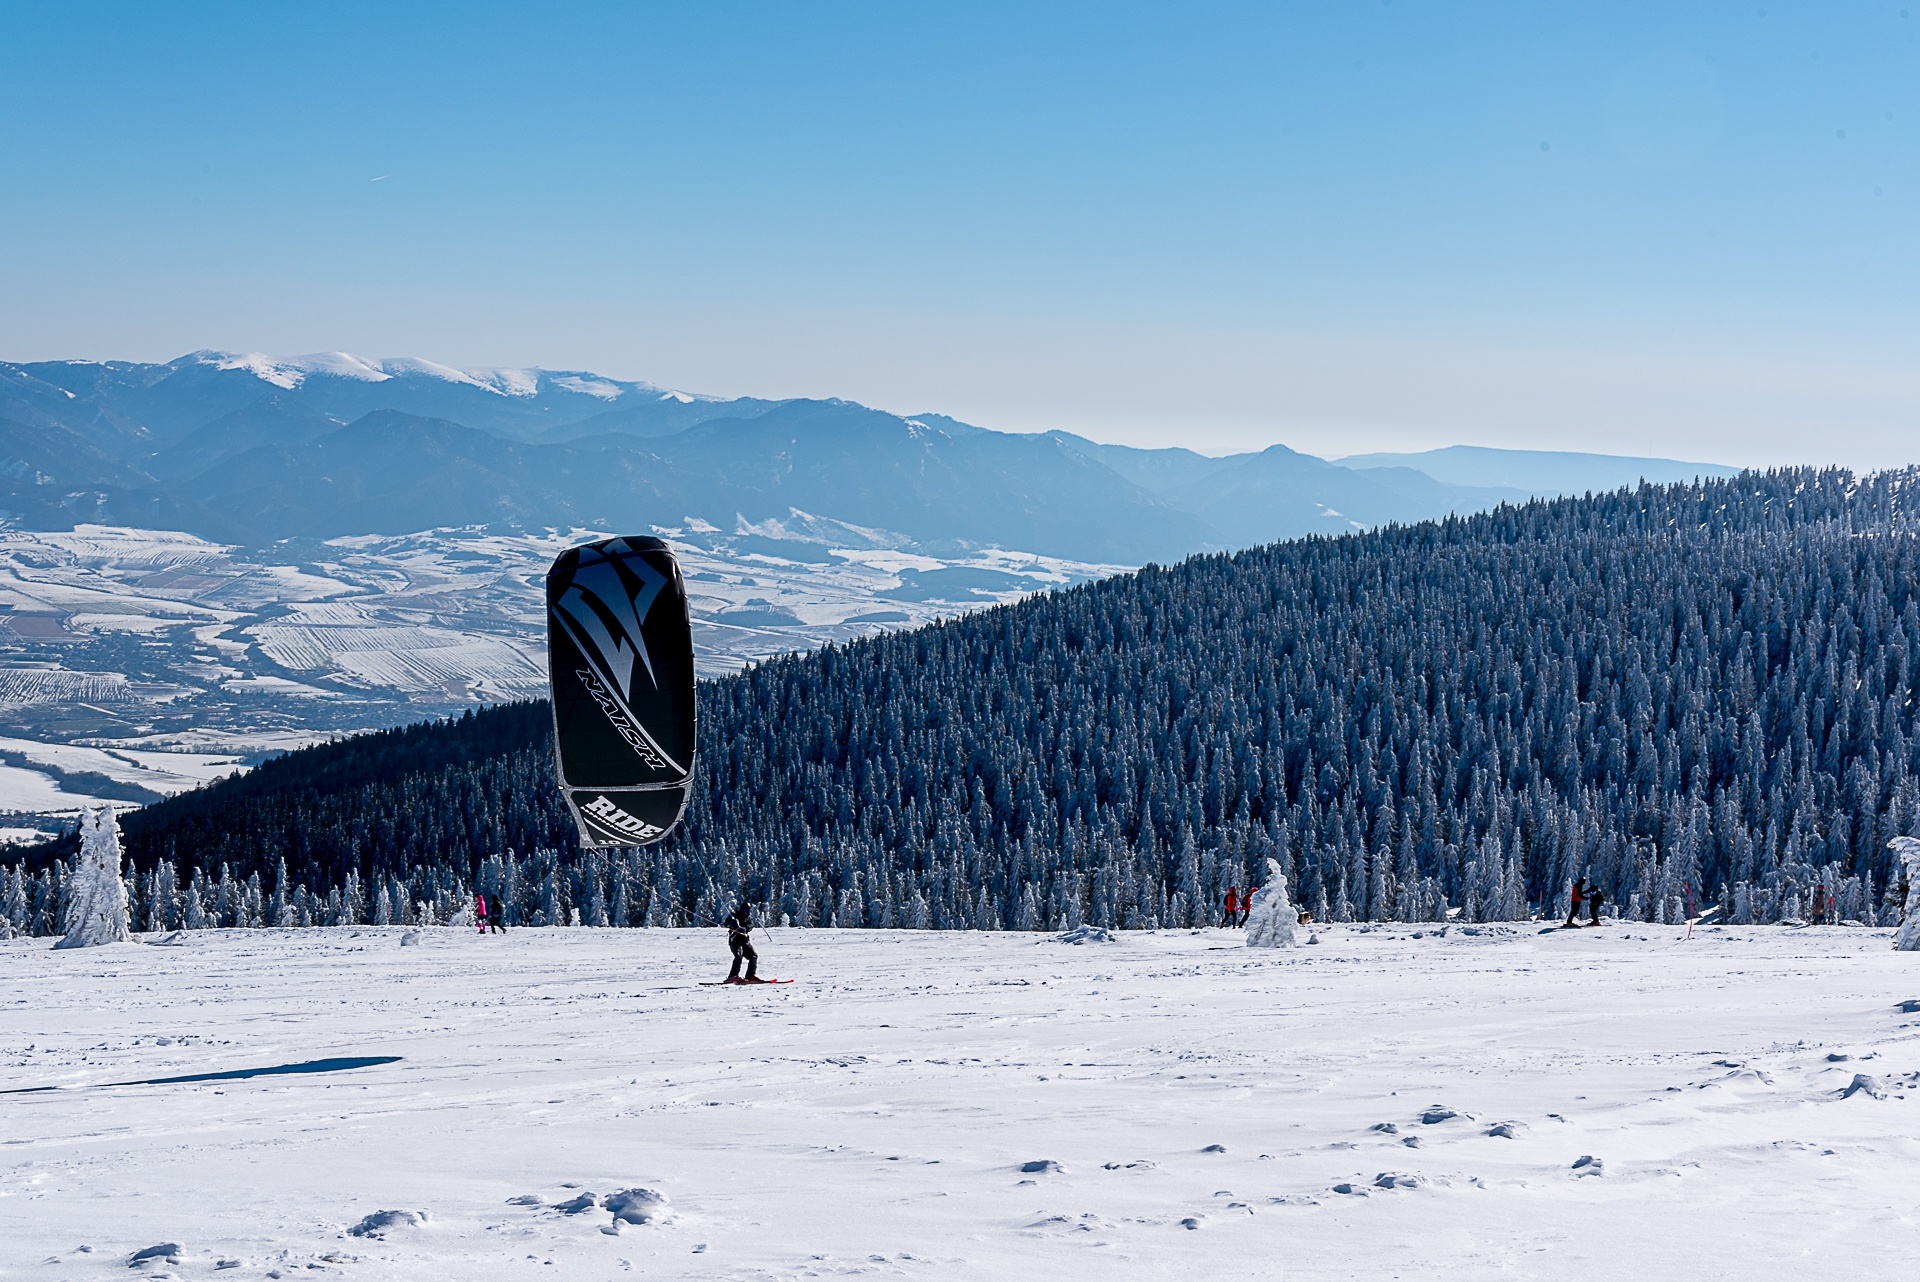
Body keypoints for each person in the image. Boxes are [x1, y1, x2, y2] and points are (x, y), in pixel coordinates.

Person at [725, 901, 760, 983]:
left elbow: (750, 925)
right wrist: (732, 923)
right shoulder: (734, 915)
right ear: (741, 909)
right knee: (738, 956)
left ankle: (750, 976)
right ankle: (732, 976)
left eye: (748, 910)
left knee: (753, 956)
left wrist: (746, 928)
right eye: (745, 910)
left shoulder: (748, 919)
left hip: (744, 941)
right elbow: (726, 924)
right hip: (735, 941)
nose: (746, 912)